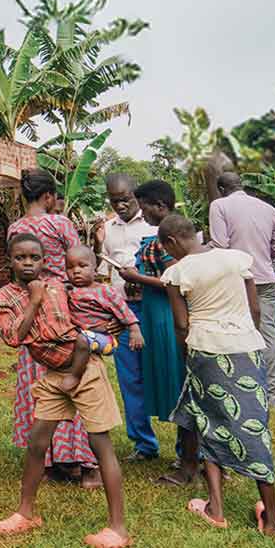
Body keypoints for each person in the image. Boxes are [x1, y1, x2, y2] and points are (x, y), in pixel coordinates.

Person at [0, 234, 136, 547]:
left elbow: (93, 304)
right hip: (53, 376)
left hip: (85, 371)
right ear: (10, 260)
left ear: (44, 261)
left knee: (100, 444)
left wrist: (109, 326)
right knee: (37, 443)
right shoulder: (5, 297)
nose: (28, 263)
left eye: (34, 258)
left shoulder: (61, 285)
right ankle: (26, 513)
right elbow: (15, 337)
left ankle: (118, 529)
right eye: (20, 258)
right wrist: (34, 300)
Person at [156, 214, 275, 536]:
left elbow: (182, 325)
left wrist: (189, 359)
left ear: (170, 242)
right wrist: (245, 337)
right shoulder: (236, 259)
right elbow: (255, 310)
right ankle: (269, 518)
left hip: (206, 351)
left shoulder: (176, 272)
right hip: (246, 348)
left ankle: (216, 509)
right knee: (255, 425)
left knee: (209, 422)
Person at [6, 168, 102, 487]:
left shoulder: (15, 228)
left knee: (38, 385)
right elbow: (78, 262)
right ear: (49, 197)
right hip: (63, 309)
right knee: (75, 380)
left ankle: (47, 463)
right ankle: (82, 461)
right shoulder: (60, 223)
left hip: (31, 311)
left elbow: (16, 274)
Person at [120, 179, 195, 482]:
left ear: (160, 206)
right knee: (171, 382)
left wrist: (136, 276)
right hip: (154, 314)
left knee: (179, 382)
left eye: (145, 206)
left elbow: (173, 281)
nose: (143, 212)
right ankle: (183, 451)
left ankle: (189, 453)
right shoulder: (159, 238)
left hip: (167, 316)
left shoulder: (169, 240)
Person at [208, 172, 275, 408]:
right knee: (268, 333)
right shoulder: (267, 208)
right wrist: (261, 258)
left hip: (237, 279)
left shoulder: (219, 205)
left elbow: (220, 244)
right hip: (265, 278)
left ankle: (244, 390)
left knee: (236, 332)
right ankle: (274, 395)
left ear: (222, 189)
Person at [97, 172, 158, 460]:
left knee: (162, 372)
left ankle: (188, 447)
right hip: (122, 313)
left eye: (125, 199)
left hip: (153, 307)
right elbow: (103, 272)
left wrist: (142, 278)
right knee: (130, 378)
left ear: (137, 195)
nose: (120, 205)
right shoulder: (107, 230)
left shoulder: (155, 223)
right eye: (114, 200)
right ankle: (144, 444)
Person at [65, 243, 143, 366]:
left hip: (105, 339)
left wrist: (134, 330)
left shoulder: (104, 291)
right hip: (81, 336)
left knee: (81, 342)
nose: (76, 271)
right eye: (70, 267)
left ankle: (75, 375)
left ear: (95, 270)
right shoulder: (68, 290)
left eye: (82, 266)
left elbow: (123, 309)